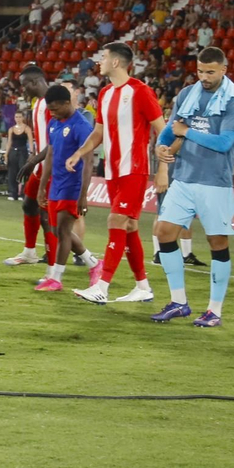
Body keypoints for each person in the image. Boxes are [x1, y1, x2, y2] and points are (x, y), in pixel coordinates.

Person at [148, 47, 234, 326]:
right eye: (200, 71)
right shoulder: (188, 93)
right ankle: (179, 302)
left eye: (210, 72)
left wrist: (187, 132)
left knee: (217, 243)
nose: (204, 77)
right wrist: (161, 147)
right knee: (164, 232)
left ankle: (214, 310)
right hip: (184, 177)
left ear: (224, 70)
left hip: (214, 181)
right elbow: (171, 128)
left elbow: (225, 142)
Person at [69, 42, 165, 304]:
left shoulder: (140, 91)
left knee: (115, 221)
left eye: (103, 57)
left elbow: (162, 129)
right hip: (111, 171)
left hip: (133, 169)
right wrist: (80, 153)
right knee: (130, 226)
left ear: (115, 62)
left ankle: (102, 285)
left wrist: (163, 168)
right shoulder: (105, 94)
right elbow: (98, 133)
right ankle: (143, 287)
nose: (99, 62)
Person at [5, 66, 94, 273]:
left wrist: (34, 160)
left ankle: (54, 266)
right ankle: (30, 251)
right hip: (41, 166)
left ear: (35, 82)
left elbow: (56, 143)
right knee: (29, 205)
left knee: (50, 220)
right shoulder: (38, 103)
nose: (22, 89)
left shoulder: (52, 106)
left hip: (54, 168)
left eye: (24, 84)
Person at [34, 85, 91, 292]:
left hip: (73, 185)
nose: (53, 113)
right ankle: (94, 263)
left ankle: (56, 278)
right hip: (56, 184)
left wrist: (83, 195)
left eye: (56, 109)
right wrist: (42, 186)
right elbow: (50, 155)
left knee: (64, 230)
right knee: (57, 230)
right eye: (50, 110)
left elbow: (89, 162)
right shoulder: (54, 122)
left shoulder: (82, 126)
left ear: (68, 103)